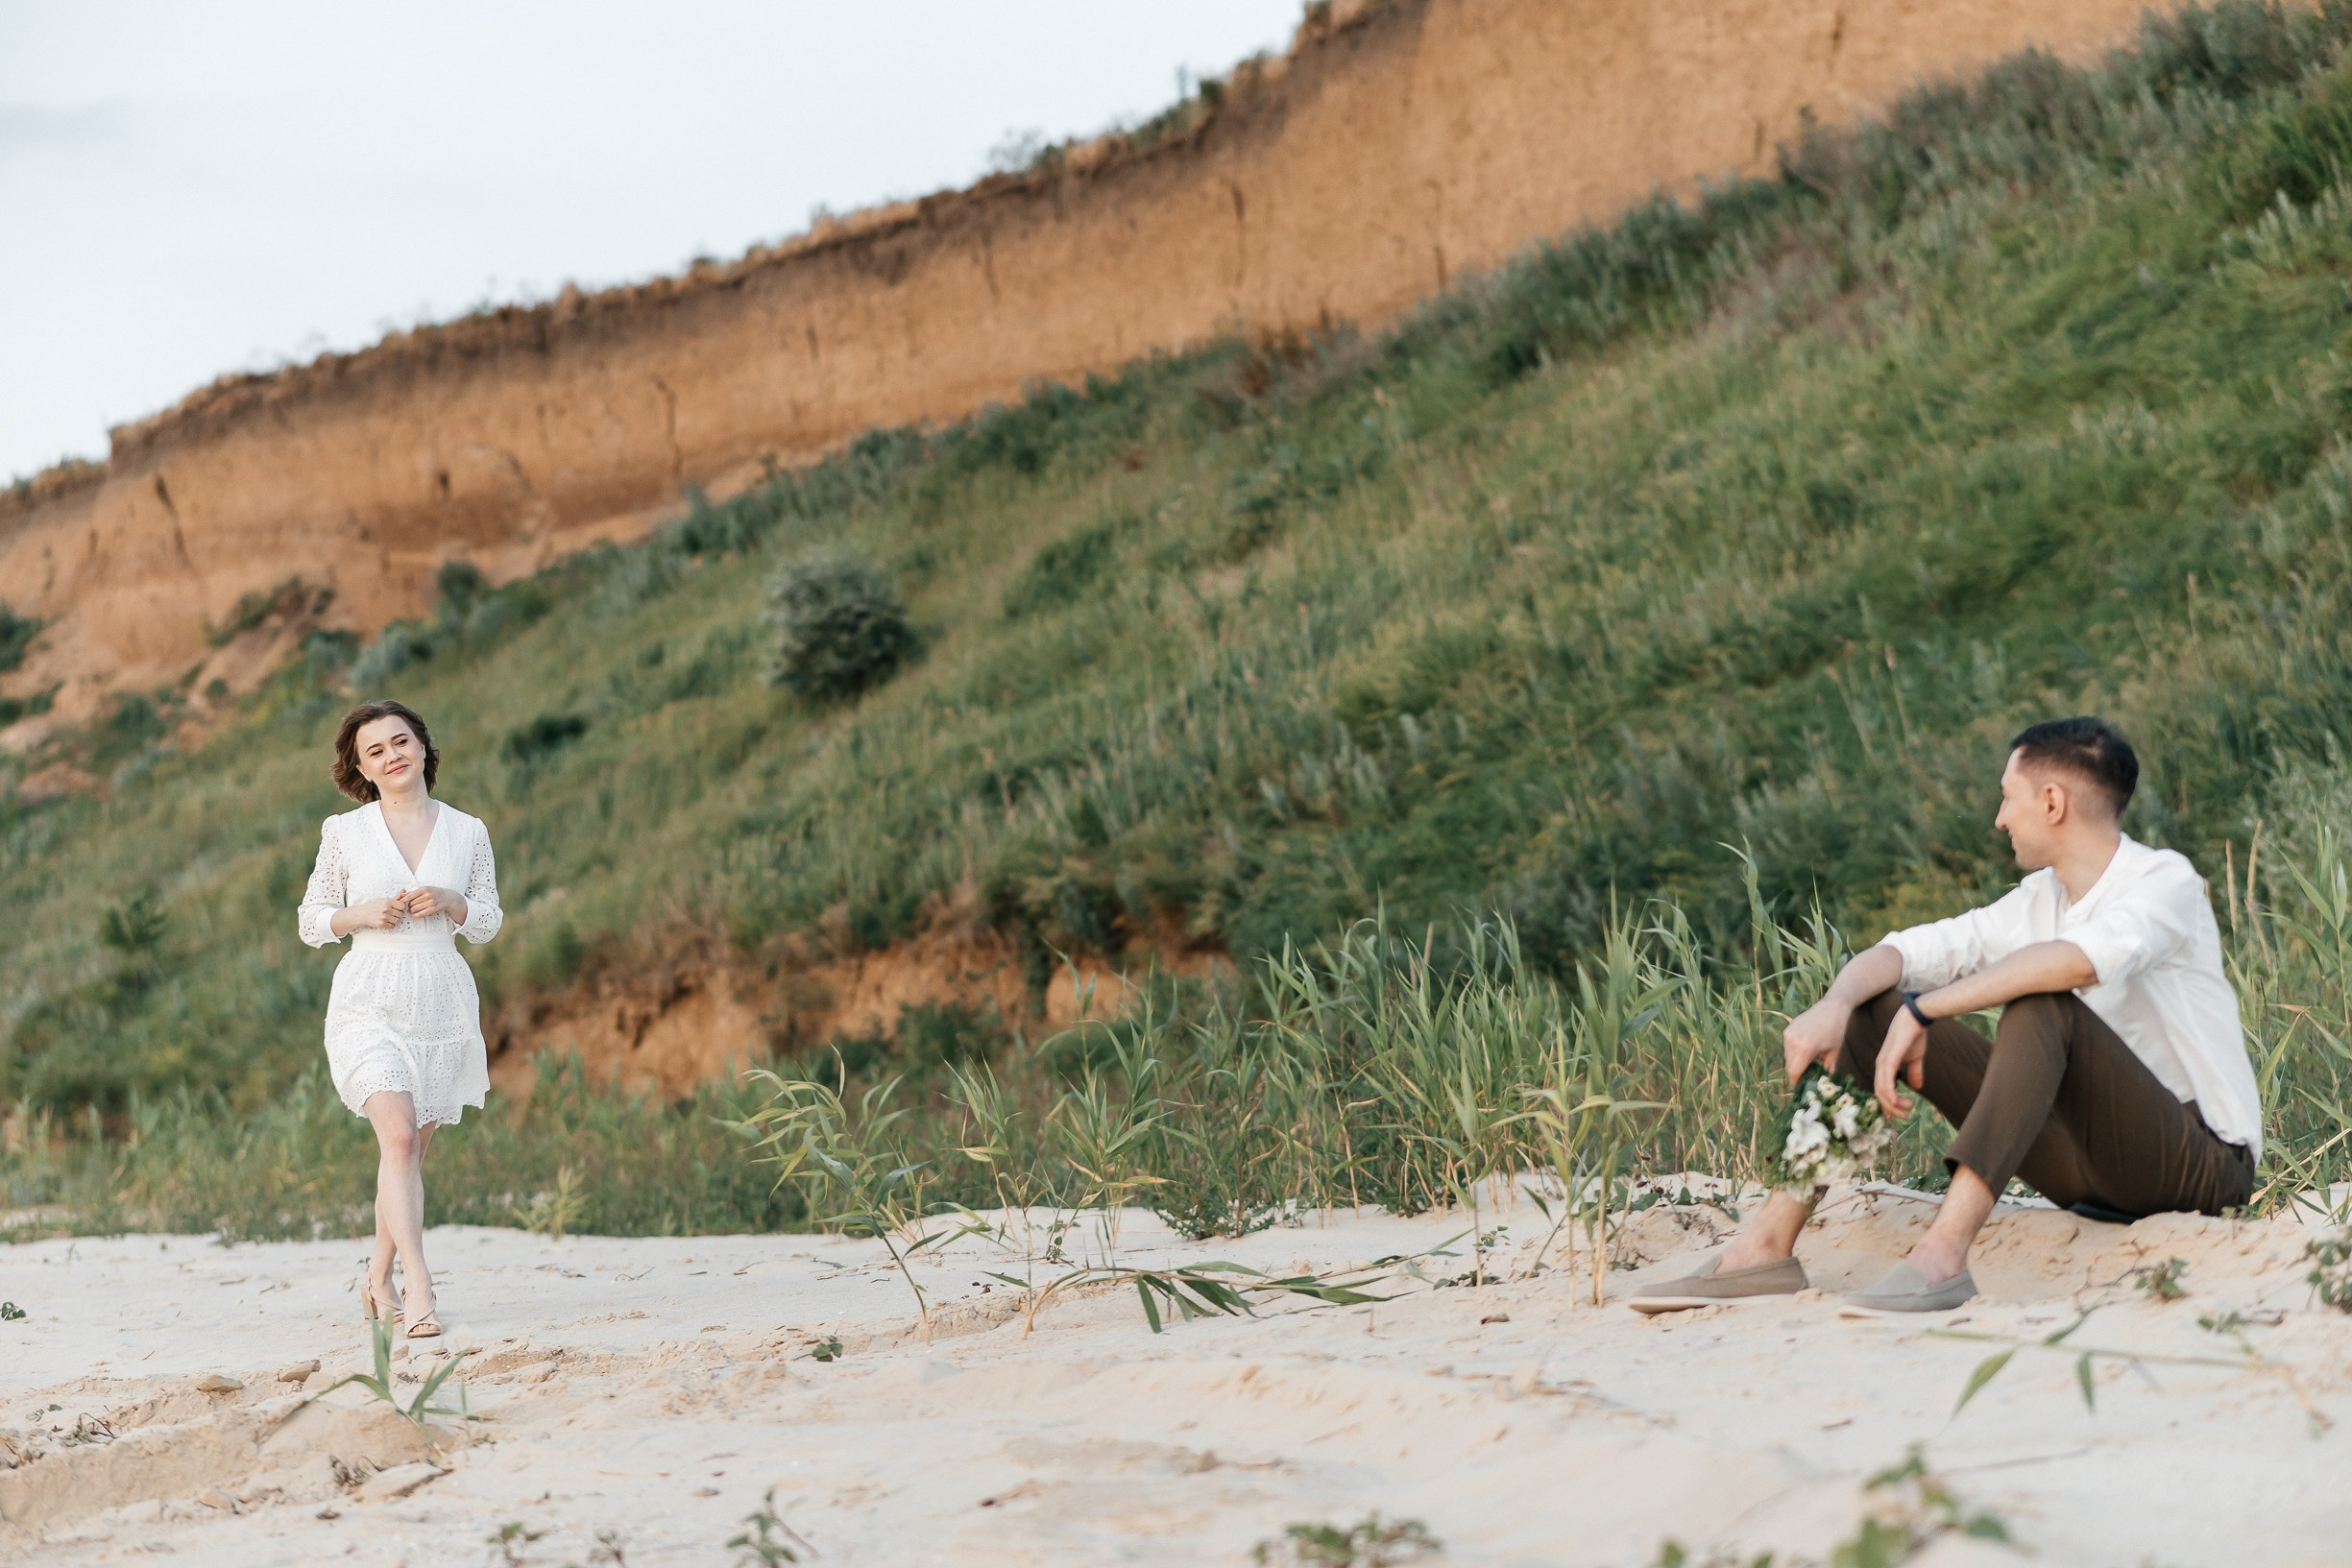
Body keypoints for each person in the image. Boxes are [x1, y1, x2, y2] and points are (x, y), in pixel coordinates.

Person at [1633, 717, 2260, 1315]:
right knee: (1872, 1011)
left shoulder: (2162, 880)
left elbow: (2074, 962)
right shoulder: (2037, 899)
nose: (1998, 818)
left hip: (2198, 1165)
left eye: (2006, 797)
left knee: (2042, 1004)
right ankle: (1763, 1247)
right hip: (2086, 1172)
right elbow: (1907, 950)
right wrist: (1836, 1003)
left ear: (2050, 802)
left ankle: (1941, 1257)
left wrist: (1926, 1008)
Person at [297, 698, 503, 1339]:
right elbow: (311, 920)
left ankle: (376, 1273)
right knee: (400, 1137)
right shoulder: (345, 831)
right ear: (360, 767)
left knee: (408, 1151)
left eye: (400, 740)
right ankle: (420, 1288)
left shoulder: (467, 830)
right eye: (376, 750)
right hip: (369, 996)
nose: (392, 755)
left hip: (440, 997)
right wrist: (363, 914)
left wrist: (451, 900)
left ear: (423, 746)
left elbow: (490, 921)